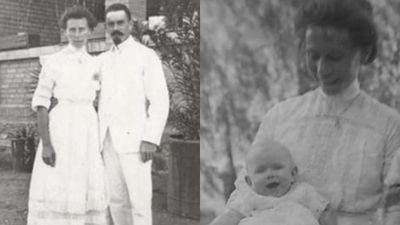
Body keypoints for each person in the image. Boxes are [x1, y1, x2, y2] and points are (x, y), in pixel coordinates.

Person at [219, 0, 400, 224]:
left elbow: (395, 212)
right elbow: (244, 195)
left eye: (334, 57)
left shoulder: (389, 126)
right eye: (313, 55)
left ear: (363, 52)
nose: (322, 68)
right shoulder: (280, 116)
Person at [28, 5, 107, 225]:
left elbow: (104, 100)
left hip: (87, 127)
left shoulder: (96, 64)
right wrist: (46, 143)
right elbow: (41, 103)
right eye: (72, 30)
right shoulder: (53, 61)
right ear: (65, 31)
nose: (77, 34)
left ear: (90, 30)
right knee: (58, 178)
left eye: (82, 29)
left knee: (85, 179)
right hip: (61, 126)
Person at [97, 3, 169, 225]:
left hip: (136, 142)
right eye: (111, 24)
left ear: (130, 24)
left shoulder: (146, 56)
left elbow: (160, 99)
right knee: (116, 200)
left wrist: (150, 139)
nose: (116, 28)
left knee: (139, 202)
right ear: (106, 28)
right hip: (107, 141)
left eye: (120, 23)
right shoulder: (101, 60)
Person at [210, 138, 336, 225]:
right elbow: (229, 217)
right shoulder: (248, 198)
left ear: (293, 174)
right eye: (261, 171)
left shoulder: (304, 192)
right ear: (249, 182)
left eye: (277, 167)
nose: (270, 174)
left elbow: (325, 213)